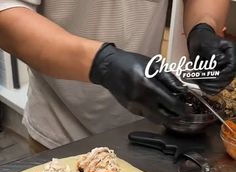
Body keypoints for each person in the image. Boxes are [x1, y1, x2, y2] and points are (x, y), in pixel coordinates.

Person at [0, 0, 235, 149]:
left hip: (145, 127)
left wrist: (204, 27)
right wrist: (103, 64)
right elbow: (7, 15)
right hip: (61, 131)